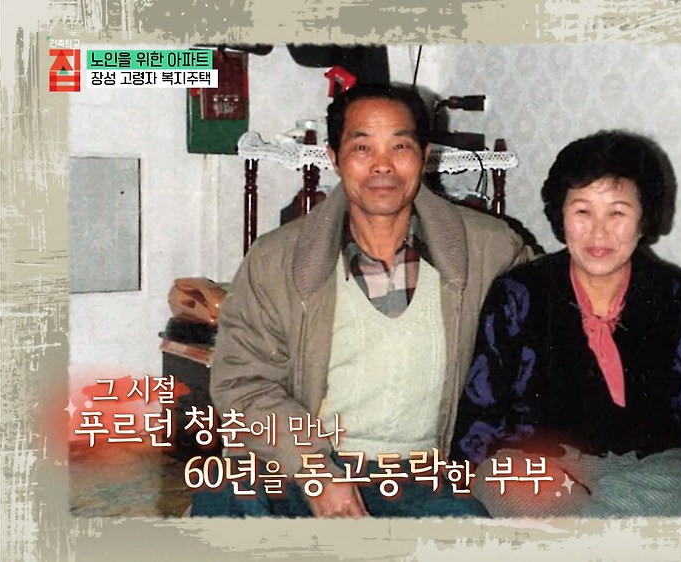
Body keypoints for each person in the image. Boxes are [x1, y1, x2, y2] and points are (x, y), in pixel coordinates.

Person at [191, 83, 533, 518]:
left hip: (425, 477)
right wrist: (316, 471)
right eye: (362, 147)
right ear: (334, 158)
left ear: (425, 156)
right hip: (301, 466)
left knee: (470, 532)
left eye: (400, 146)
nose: (382, 165)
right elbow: (242, 383)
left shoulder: (489, 249)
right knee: (225, 498)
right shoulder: (276, 259)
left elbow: (546, 323)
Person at [449, 131, 681, 518]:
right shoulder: (519, 294)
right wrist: (458, 493)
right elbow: (482, 406)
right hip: (542, 462)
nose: (599, 232)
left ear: (644, 218)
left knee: (679, 493)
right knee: (506, 479)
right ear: (561, 215)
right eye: (583, 211)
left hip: (652, 470)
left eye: (617, 212)